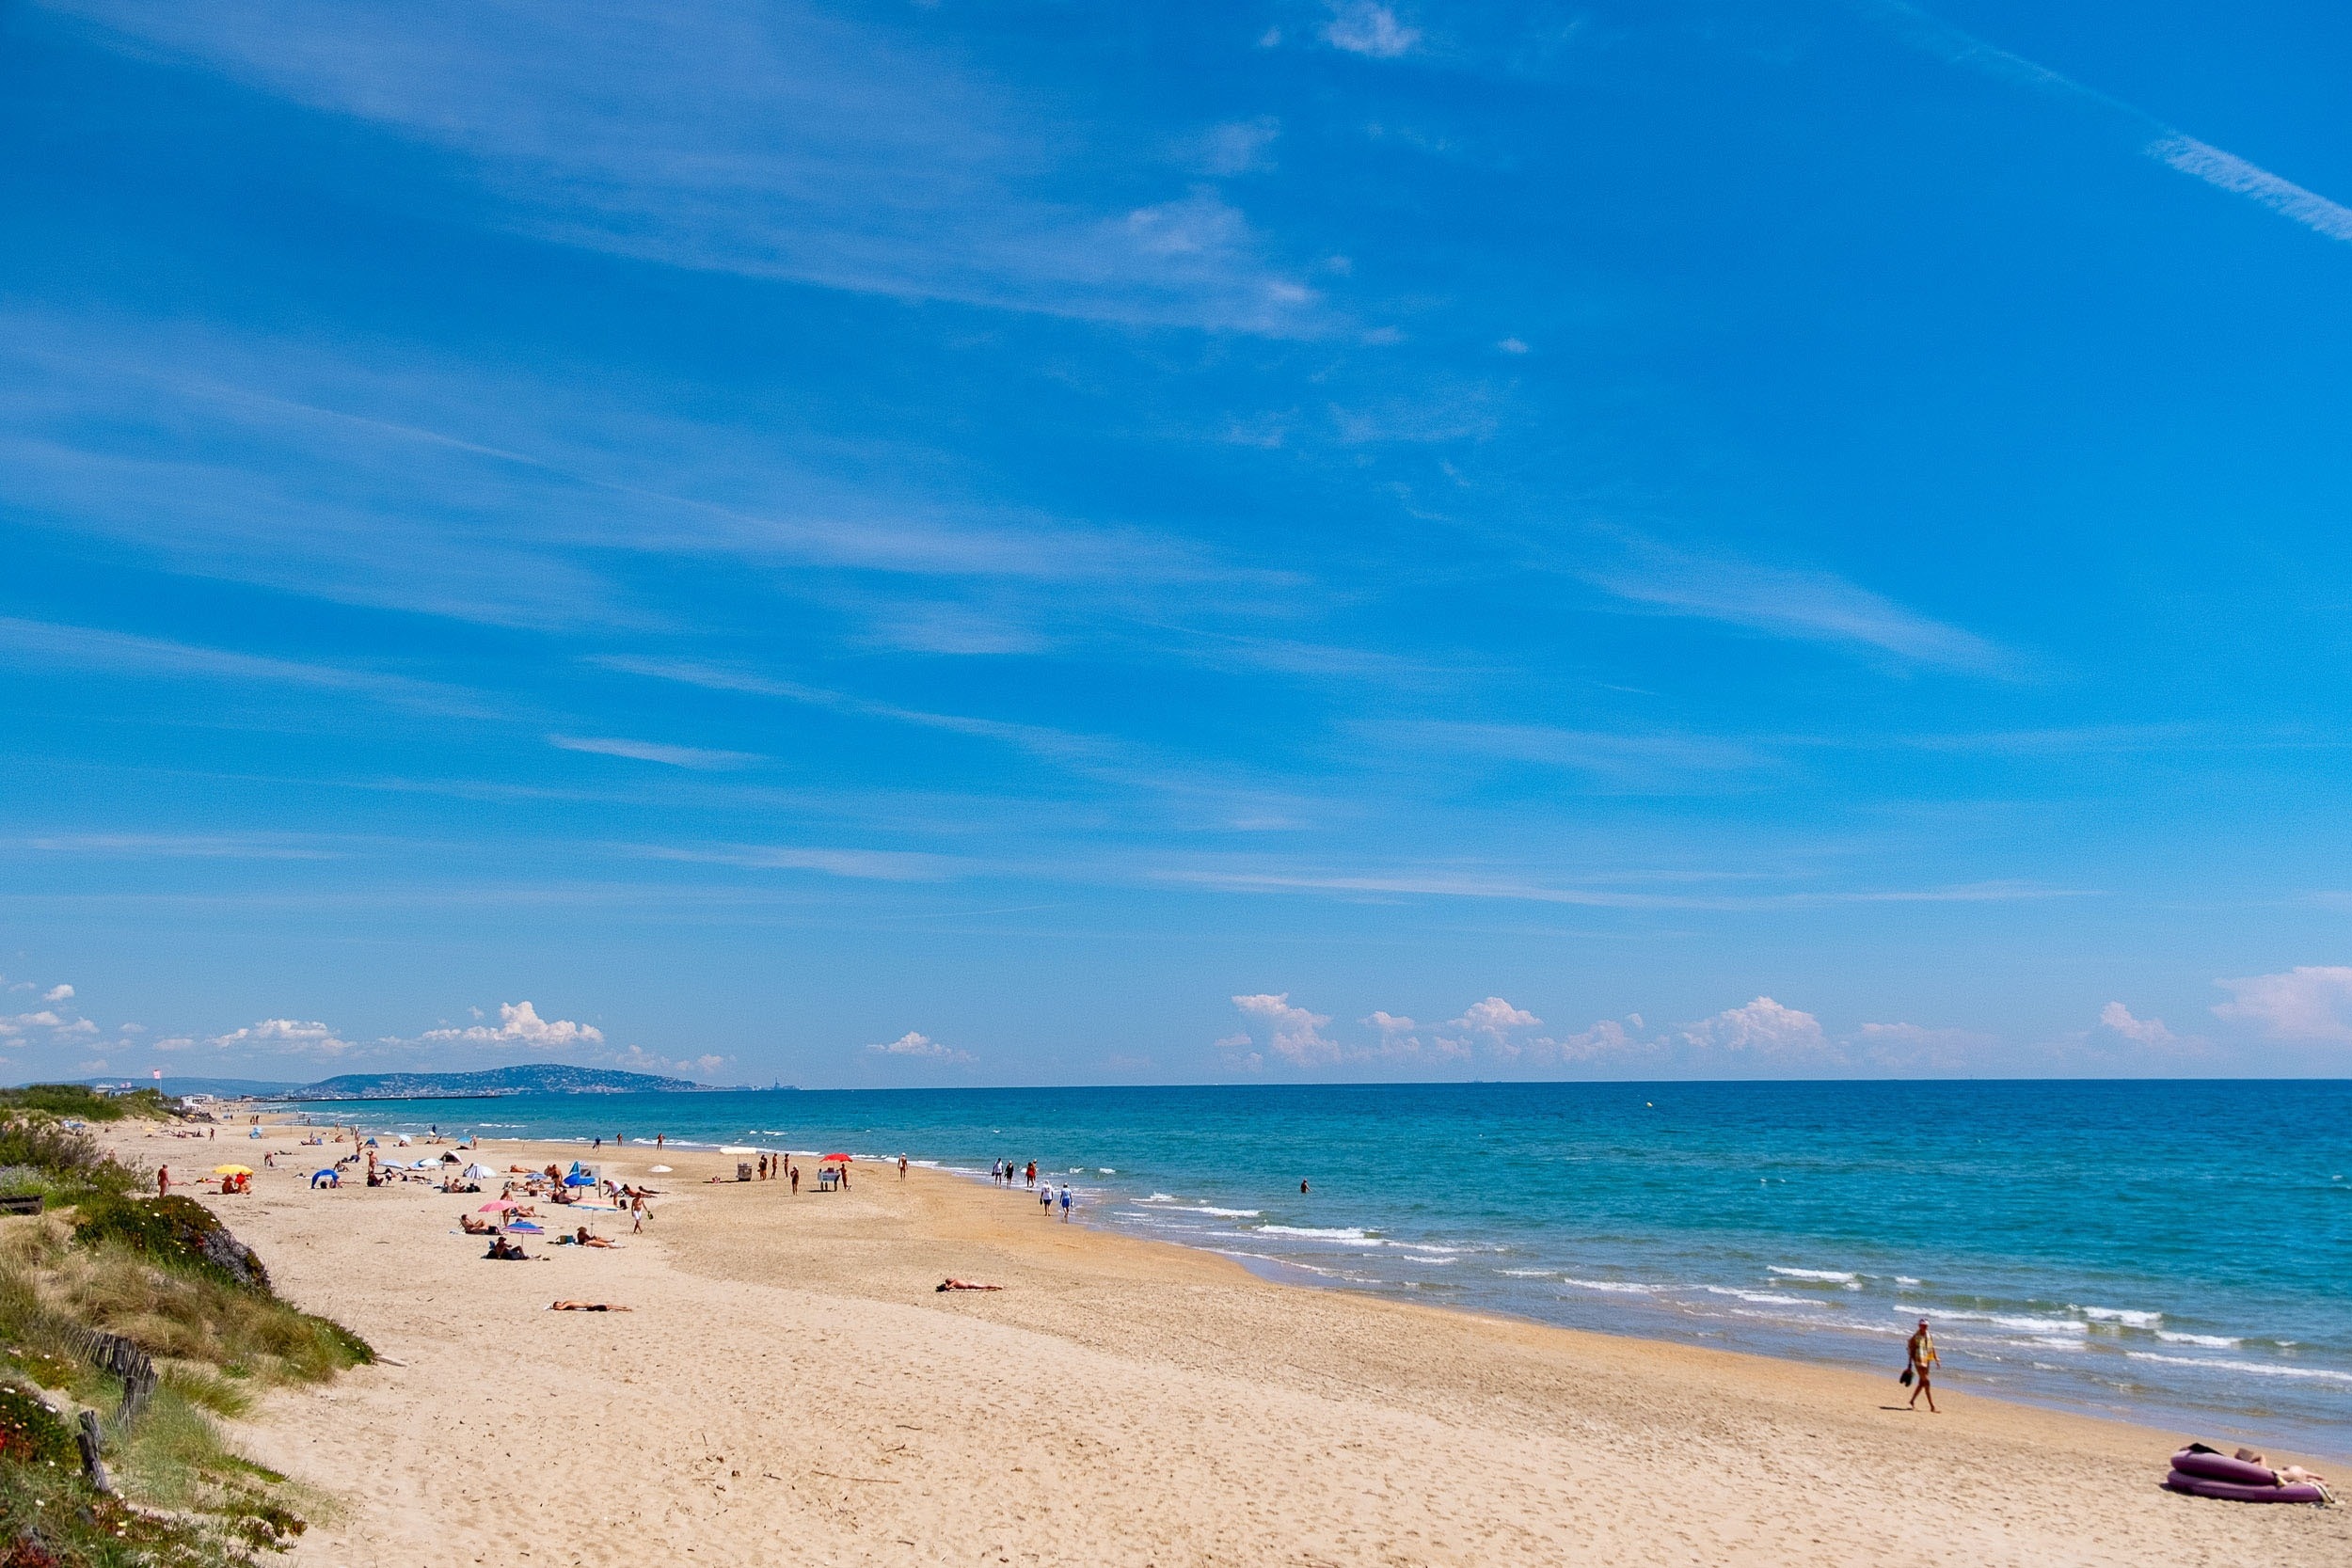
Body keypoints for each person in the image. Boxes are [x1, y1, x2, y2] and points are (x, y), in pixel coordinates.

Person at [1905, 1318, 1940, 1412]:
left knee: (1921, 1383)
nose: (1925, 1327)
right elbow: (1911, 1351)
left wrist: (1936, 1359)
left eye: (1926, 1326)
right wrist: (1909, 1365)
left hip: (1927, 1360)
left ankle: (1912, 1401)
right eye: (1923, 1325)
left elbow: (1931, 1347)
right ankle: (1932, 1406)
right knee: (1927, 1382)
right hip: (1918, 1361)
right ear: (1919, 1326)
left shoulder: (1929, 1335)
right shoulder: (1915, 1337)